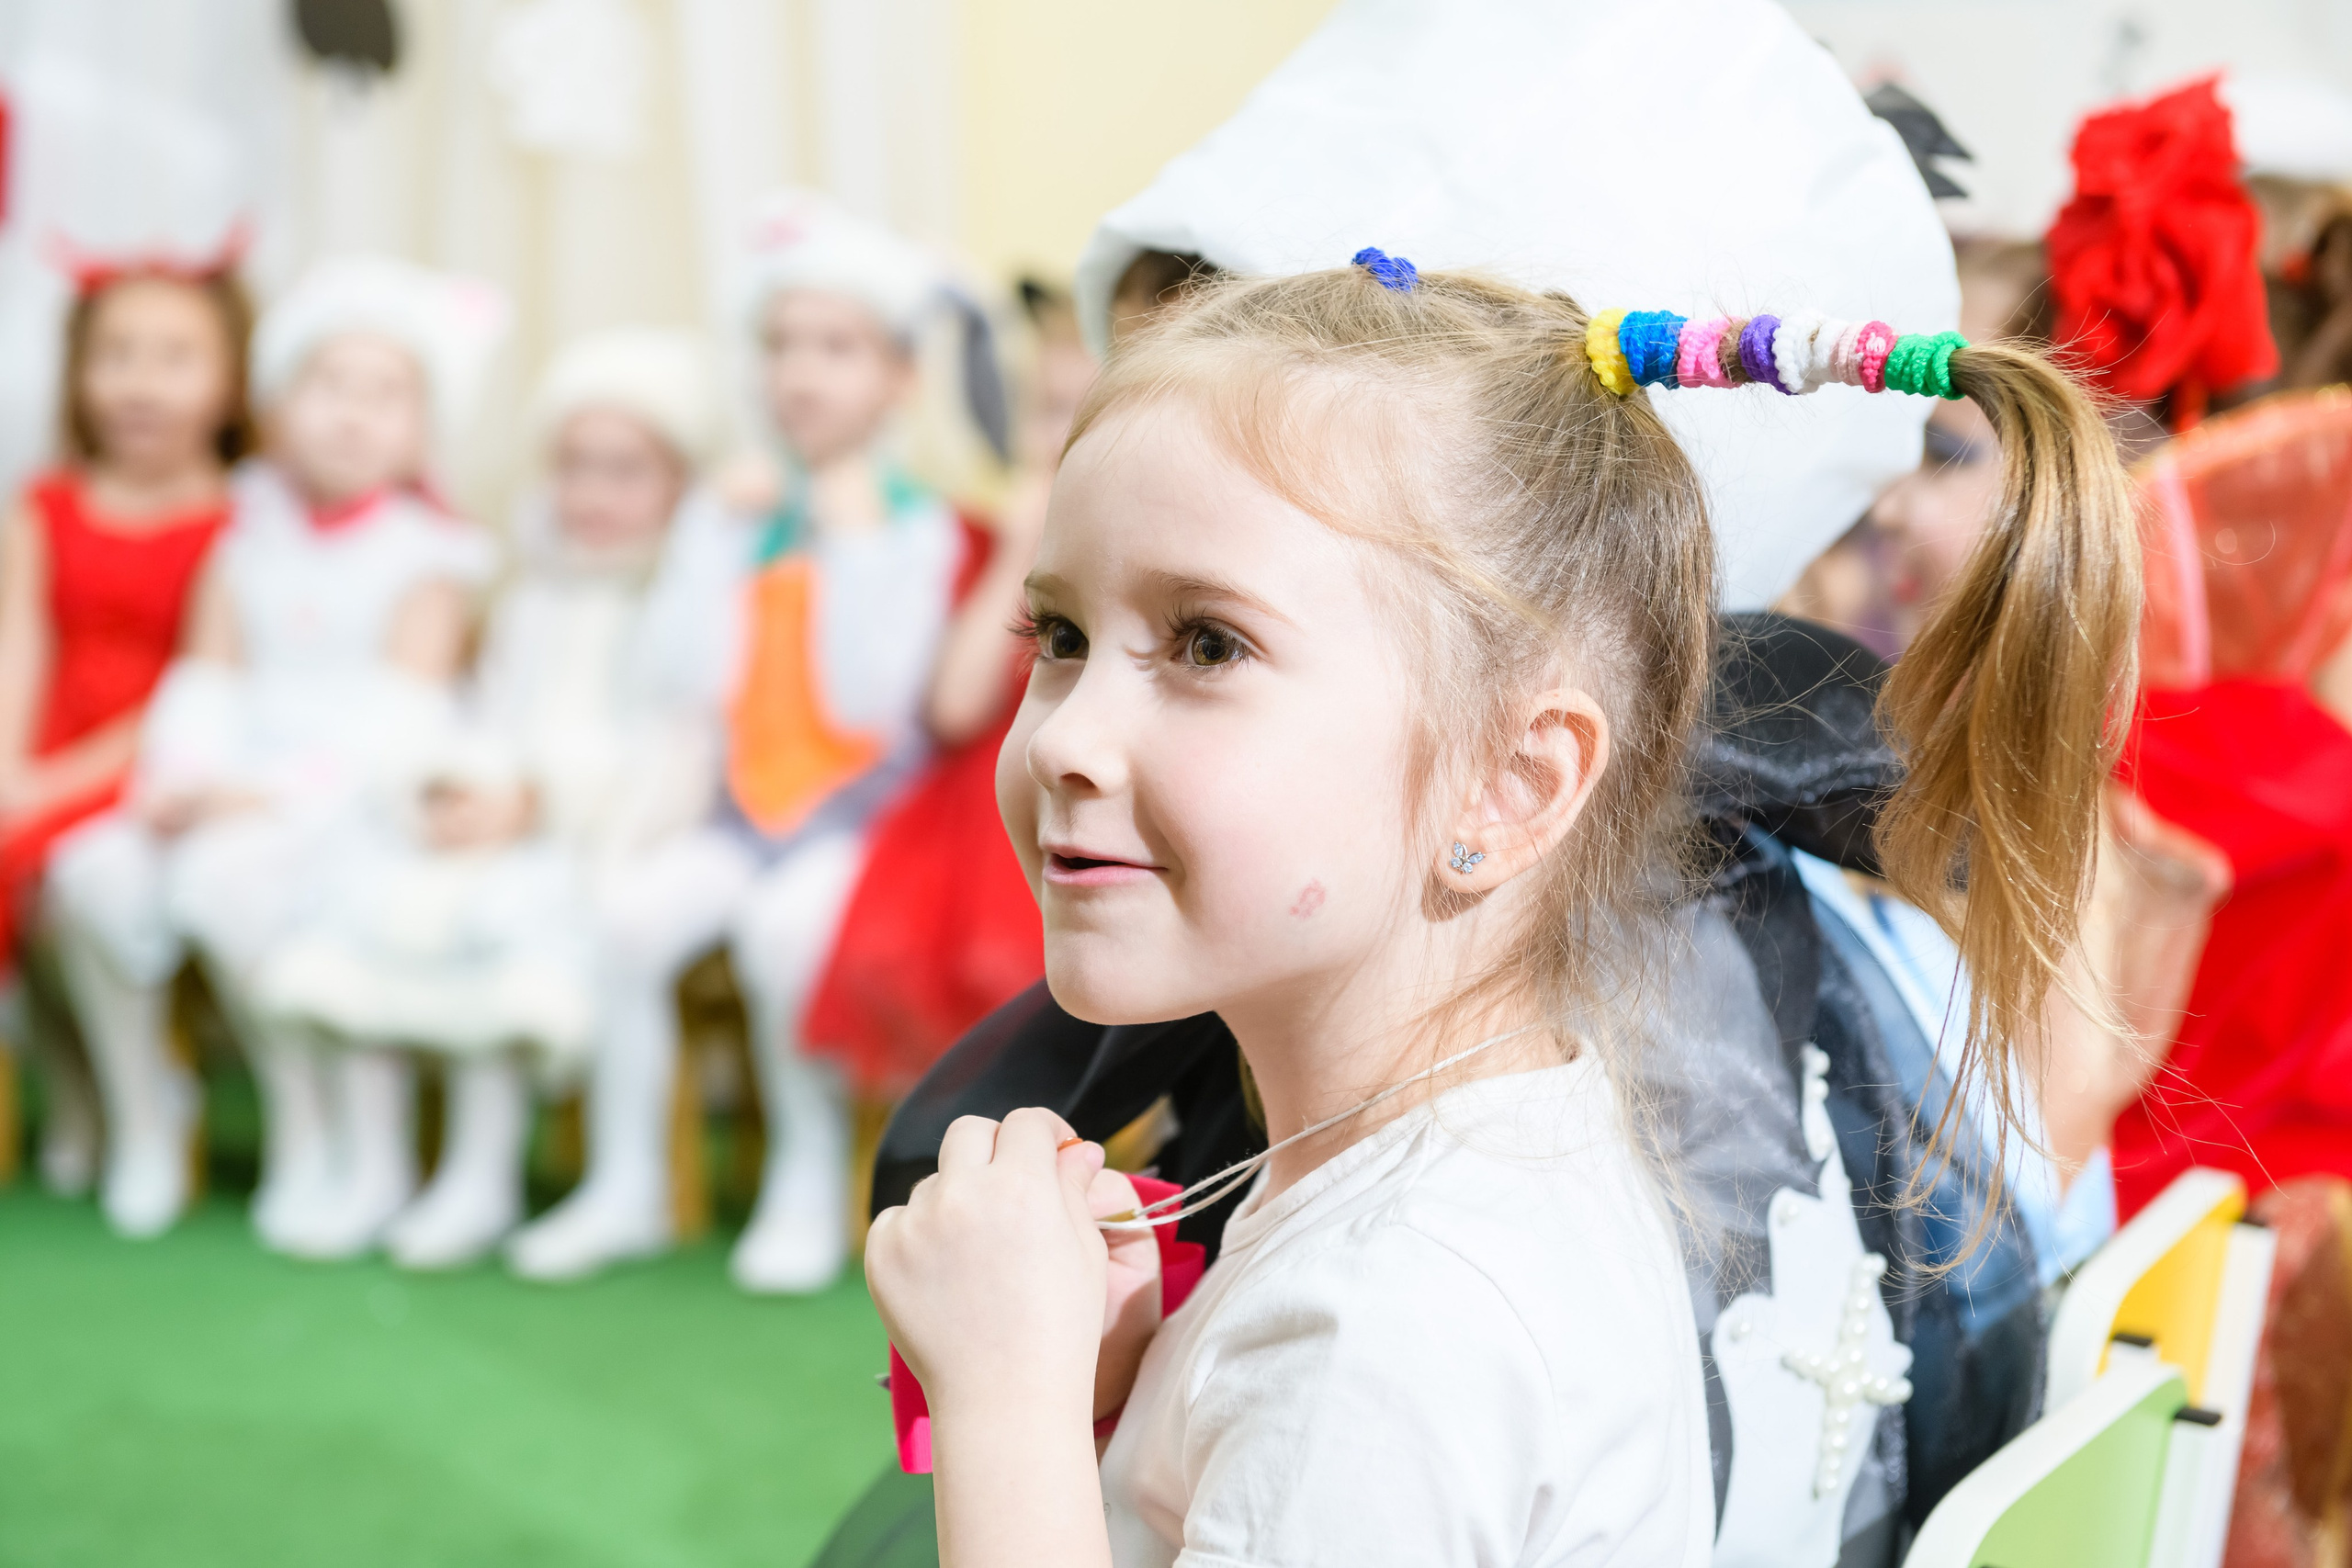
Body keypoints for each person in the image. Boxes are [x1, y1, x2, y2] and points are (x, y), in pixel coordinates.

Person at [505, 192, 1005, 1292]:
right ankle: (627, 1182)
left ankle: (803, 1170)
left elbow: (881, 702)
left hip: (858, 821)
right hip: (735, 812)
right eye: (782, 347)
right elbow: (679, 680)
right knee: (630, 918)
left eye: (836, 348)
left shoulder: (914, 526)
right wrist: (726, 541)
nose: (801, 375)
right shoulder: (730, 515)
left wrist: (856, 546)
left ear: (896, 382)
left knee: (788, 933)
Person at [43, 256, 504, 1247]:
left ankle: (313, 1128)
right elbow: (208, 675)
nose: (351, 415)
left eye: (384, 395)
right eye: (328, 386)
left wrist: (258, 798)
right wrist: (179, 780)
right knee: (94, 872)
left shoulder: (430, 556)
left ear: (423, 425)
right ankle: (145, 1118)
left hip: (349, 799)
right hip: (222, 784)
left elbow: (401, 719)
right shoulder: (247, 531)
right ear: (279, 404)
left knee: (232, 884)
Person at [253, 329, 724, 1269]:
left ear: (678, 483)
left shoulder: (689, 598)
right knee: (385, 896)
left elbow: (676, 759)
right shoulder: (535, 597)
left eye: (625, 471)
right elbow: (490, 714)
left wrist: (540, 807)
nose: (594, 496)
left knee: (523, 922)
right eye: (575, 468)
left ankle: (554, 1178)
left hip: (618, 838)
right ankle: (402, 1168)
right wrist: (461, 789)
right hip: (516, 824)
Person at [0, 253, 249, 1220]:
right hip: (48, 742)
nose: (141, 382)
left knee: (70, 883)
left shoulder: (239, 518)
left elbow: (197, 687)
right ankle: (73, 1087)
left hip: (160, 756)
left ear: (229, 378)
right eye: (117, 355)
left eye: (175, 357)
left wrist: (52, 786)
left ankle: (140, 1102)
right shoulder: (44, 507)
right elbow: (22, 640)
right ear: (77, 373)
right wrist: (13, 766)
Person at [797, 281, 1087, 1107]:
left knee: (1016, 961)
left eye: (1081, 408)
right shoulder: (973, 538)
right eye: (1041, 409)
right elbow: (956, 705)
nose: (1054, 435)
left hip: (1067, 784)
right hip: (973, 798)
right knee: (907, 958)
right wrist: (1014, 557)